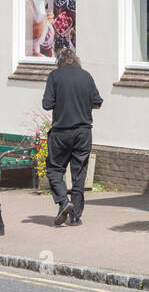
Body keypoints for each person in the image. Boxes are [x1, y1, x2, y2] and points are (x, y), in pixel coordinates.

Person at [41, 48, 103, 226]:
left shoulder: (55, 76)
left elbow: (47, 104)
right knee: (79, 173)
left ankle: (63, 202)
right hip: (83, 132)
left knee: (54, 169)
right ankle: (75, 216)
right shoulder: (86, 76)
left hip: (61, 132)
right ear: (76, 60)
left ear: (59, 61)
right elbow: (97, 103)